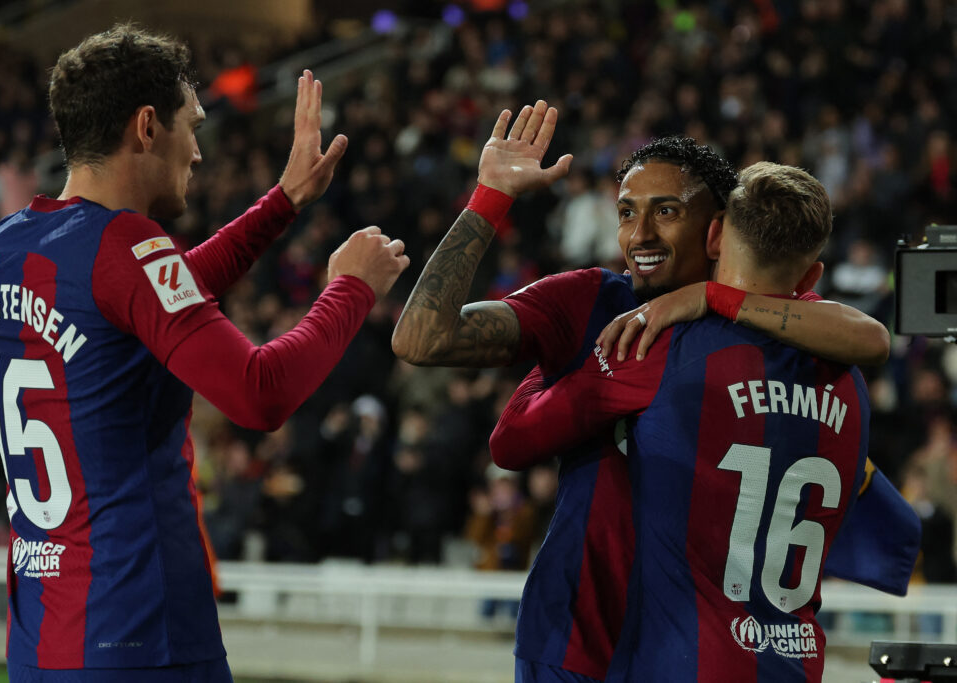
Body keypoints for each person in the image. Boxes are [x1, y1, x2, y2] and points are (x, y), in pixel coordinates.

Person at [392, 102, 916, 682]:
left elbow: (509, 442)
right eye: (625, 212)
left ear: (717, 230)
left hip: (680, 649)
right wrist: (489, 197)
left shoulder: (756, 332)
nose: (638, 235)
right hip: (582, 639)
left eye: (666, 211)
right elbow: (420, 339)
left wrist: (695, 307)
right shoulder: (589, 299)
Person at [0, 25, 408, 682]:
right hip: (140, 634)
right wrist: (351, 288)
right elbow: (259, 393)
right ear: (147, 127)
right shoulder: (125, 248)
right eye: (192, 124)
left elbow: (147, 296)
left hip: (40, 638)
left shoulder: (8, 247)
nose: (200, 152)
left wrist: (282, 202)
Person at [489, 162, 873, 681]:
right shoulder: (849, 379)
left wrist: (562, 352)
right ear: (812, 277)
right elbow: (872, 337)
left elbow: (510, 443)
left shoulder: (666, 348)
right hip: (794, 660)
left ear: (714, 235)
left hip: (684, 659)